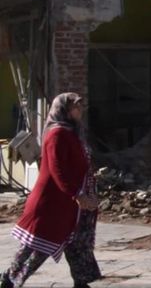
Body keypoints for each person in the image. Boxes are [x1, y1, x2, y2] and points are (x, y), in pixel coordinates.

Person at [2, 93, 102, 288]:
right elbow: (58, 169)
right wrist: (77, 194)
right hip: (53, 203)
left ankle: (82, 283)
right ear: (64, 109)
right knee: (37, 247)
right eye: (76, 106)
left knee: (78, 243)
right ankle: (9, 279)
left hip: (72, 204)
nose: (80, 110)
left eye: (81, 106)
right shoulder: (57, 134)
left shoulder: (73, 132)